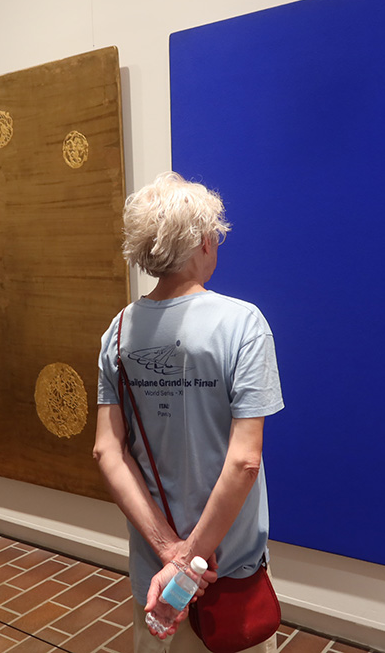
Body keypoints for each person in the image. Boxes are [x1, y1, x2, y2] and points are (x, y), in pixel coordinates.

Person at [94, 171, 284, 653]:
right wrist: (190, 560)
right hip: (225, 573)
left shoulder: (119, 332)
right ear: (203, 240)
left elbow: (107, 452)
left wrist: (170, 554)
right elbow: (245, 461)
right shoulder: (243, 324)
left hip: (157, 580)